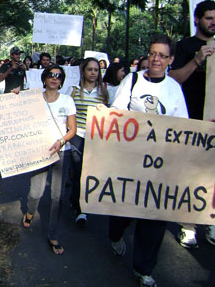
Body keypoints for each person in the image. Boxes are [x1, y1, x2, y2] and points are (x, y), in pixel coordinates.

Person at [107, 34, 188, 287]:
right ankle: (115, 233)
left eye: (163, 55)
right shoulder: (131, 81)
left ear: (170, 60)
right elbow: (116, 115)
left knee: (154, 215)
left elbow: (182, 126)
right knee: (123, 207)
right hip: (130, 161)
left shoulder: (174, 89)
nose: (156, 59)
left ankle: (143, 268)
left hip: (160, 165)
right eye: (153, 53)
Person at [168, 0, 215, 248]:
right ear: (197, 19)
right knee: (190, 175)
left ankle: (211, 220)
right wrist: (197, 60)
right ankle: (188, 224)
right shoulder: (185, 46)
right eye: (209, 17)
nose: (213, 22)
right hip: (191, 122)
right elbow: (173, 79)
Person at [21, 65, 76, 255]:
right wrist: (15, 95)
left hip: (62, 152)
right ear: (44, 78)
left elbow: (72, 130)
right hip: (40, 151)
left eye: (58, 76)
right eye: (51, 75)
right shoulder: (33, 97)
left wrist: (61, 142)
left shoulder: (68, 101)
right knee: (36, 192)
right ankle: (30, 211)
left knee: (57, 197)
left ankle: (53, 234)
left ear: (62, 81)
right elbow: (17, 108)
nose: (54, 78)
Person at [69, 57, 108, 225]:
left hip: (95, 140)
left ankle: (79, 201)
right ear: (83, 71)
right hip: (77, 137)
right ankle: (80, 210)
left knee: (89, 174)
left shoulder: (104, 92)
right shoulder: (74, 90)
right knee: (79, 172)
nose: (93, 72)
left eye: (96, 70)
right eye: (90, 69)